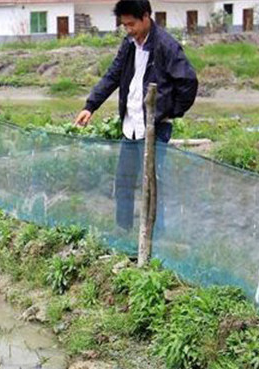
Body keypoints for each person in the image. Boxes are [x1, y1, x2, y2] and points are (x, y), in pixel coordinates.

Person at [74, 0, 198, 232]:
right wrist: (90, 106)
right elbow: (112, 76)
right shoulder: (129, 44)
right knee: (123, 182)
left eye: (132, 24)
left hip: (154, 128)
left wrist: (170, 111)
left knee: (152, 185)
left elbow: (188, 82)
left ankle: (154, 239)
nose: (129, 30)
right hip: (130, 127)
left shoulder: (166, 46)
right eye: (124, 26)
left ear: (146, 16)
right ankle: (124, 234)